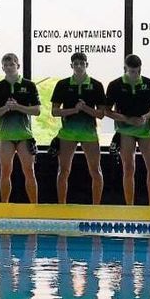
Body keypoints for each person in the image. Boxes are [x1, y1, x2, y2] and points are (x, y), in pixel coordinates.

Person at [50, 51, 108, 205]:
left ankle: (96, 206)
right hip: (67, 134)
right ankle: (61, 205)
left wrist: (85, 109)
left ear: (86, 65)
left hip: (89, 133)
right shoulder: (62, 84)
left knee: (96, 171)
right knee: (63, 171)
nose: (79, 66)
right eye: (76, 64)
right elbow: (54, 111)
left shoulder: (96, 85)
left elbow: (102, 114)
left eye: (82, 63)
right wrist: (75, 110)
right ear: (71, 66)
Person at [106, 54, 150, 206]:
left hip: (145, 130)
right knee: (129, 167)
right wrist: (127, 119)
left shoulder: (148, 83)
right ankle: (130, 206)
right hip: (125, 131)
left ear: (140, 69)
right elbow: (106, 111)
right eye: (131, 71)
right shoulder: (115, 85)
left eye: (137, 71)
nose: (135, 74)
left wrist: (145, 117)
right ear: (125, 69)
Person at [0, 52, 41, 203]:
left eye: (11, 64)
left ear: (18, 66)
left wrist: (18, 107)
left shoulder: (29, 85)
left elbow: (37, 110)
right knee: (5, 172)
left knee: (29, 171)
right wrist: (6, 108)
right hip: (6, 136)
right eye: (6, 65)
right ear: (2, 68)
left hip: (24, 135)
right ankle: (4, 206)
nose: (9, 67)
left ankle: (34, 207)